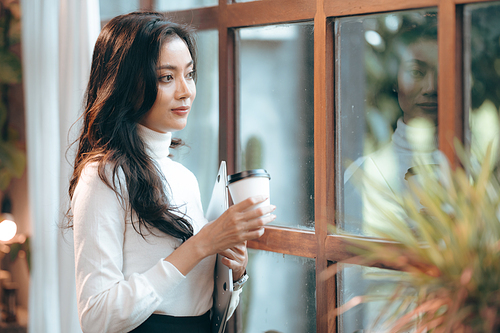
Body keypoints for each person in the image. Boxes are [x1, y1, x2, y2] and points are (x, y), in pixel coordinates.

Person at [67, 11, 276, 333]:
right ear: (126, 83)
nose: (186, 91)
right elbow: (97, 318)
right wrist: (200, 246)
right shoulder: (104, 176)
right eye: (167, 77)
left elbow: (206, 309)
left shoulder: (183, 177)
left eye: (189, 74)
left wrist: (234, 271)